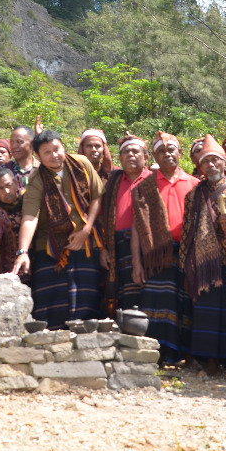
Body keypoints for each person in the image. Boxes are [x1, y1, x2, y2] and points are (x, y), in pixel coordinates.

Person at [14, 130, 105, 328]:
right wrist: (22, 251)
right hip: (51, 247)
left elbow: (97, 196)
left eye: (57, 149)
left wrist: (87, 229)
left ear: (63, 147)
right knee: (51, 304)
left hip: (85, 244)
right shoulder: (37, 179)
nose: (54, 155)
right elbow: (30, 217)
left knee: (85, 301)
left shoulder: (82, 163)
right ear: (38, 157)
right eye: (47, 153)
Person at [181, 134, 226, 379]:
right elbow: (188, 230)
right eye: (205, 162)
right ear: (199, 167)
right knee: (207, 314)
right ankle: (211, 363)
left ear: (224, 163)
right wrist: (186, 262)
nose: (211, 165)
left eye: (215, 161)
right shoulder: (194, 195)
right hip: (204, 263)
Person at [130, 132, 199, 362]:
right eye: (161, 151)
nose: (167, 154)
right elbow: (137, 228)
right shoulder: (145, 186)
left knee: (185, 303)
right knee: (158, 304)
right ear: (155, 157)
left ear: (180, 153)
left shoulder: (195, 184)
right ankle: (159, 355)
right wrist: (137, 264)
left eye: (171, 150)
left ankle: (185, 354)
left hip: (188, 254)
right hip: (156, 256)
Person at [92, 134, 151, 318]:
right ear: (120, 158)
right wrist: (103, 248)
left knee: (150, 297)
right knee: (125, 297)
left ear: (146, 156)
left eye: (135, 151)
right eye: (126, 152)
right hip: (117, 247)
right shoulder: (111, 183)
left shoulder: (155, 180)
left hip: (150, 248)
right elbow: (99, 218)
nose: (131, 155)